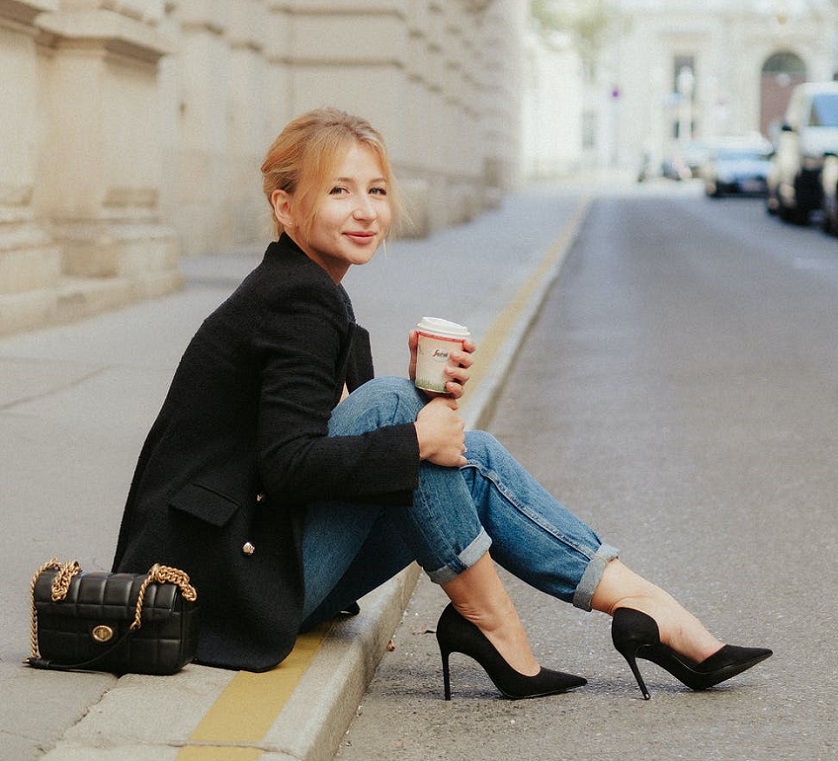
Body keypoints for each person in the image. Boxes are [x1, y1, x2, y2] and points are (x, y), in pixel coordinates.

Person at [112, 108, 771, 700]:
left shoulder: (300, 289)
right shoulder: (297, 302)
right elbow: (291, 464)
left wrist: (425, 409)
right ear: (286, 208)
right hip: (224, 587)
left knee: (455, 447)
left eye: (376, 190)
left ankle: (627, 605)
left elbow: (349, 447)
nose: (365, 209)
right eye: (339, 191)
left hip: (246, 563)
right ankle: (524, 620)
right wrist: (413, 423)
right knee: (408, 415)